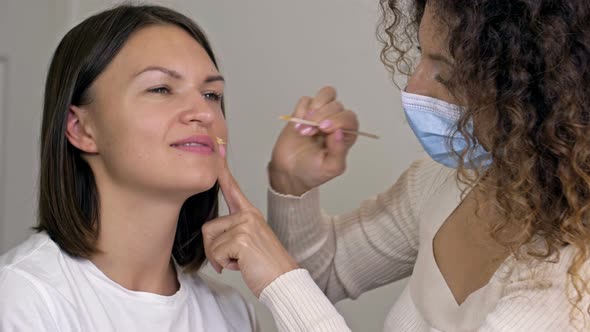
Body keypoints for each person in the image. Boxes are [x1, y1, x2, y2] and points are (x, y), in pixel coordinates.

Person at [208, 0, 590, 331]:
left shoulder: (575, 280)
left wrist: (280, 282)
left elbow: (297, 286)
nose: (413, 87)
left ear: (532, 94)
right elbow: (323, 275)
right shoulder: (447, 182)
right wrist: (292, 183)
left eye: (446, 74)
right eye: (421, 54)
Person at [0, 5, 258, 331]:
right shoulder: (24, 298)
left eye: (211, 94)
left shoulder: (232, 314)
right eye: (161, 88)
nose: (204, 113)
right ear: (81, 128)